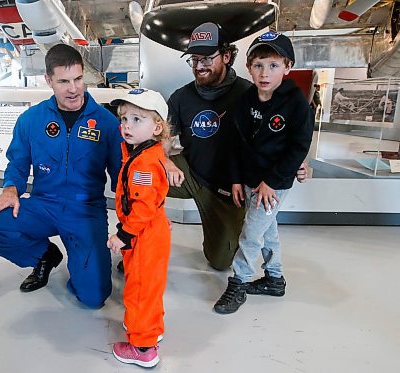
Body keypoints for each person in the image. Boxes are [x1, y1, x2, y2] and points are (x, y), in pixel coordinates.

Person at [0, 44, 122, 308]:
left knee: (93, 297)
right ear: (48, 80)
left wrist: (131, 223)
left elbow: (122, 175)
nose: (73, 89)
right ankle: (44, 255)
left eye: (77, 79)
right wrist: (10, 189)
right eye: (63, 81)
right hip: (44, 203)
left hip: (85, 209)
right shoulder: (31, 120)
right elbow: (18, 163)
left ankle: (83, 264)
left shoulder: (107, 123)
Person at [166, 22, 307, 271]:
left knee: (222, 261)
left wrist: (299, 164)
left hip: (229, 188)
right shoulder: (180, 97)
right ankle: (136, 242)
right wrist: (165, 161)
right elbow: (162, 141)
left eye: (207, 58)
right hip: (190, 171)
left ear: (228, 55)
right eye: (194, 59)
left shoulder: (251, 94)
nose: (199, 66)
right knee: (139, 175)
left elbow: (280, 139)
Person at [213, 31, 313, 314]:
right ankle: (274, 279)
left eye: (273, 65)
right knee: (268, 232)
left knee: (251, 234)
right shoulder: (244, 101)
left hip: (273, 184)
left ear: (288, 67)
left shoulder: (296, 104)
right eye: (258, 65)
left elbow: (298, 147)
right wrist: (234, 178)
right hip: (248, 179)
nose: (265, 73)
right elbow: (234, 143)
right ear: (249, 68)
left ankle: (239, 282)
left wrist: (271, 182)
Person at [107, 89, 171, 368]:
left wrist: (123, 236)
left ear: (157, 127)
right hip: (146, 230)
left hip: (144, 232)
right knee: (145, 285)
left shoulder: (144, 163)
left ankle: (144, 347)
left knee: (142, 287)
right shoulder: (140, 152)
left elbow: (143, 206)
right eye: (124, 119)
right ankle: (148, 327)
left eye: (137, 119)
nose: (127, 126)